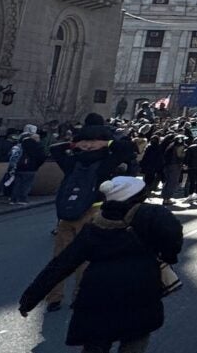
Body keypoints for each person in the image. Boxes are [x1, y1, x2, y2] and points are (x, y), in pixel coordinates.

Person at [19, 177, 185, 353]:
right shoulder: (153, 214)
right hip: (140, 286)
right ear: (139, 195)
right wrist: (168, 257)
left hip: (97, 289)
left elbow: (64, 262)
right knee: (135, 336)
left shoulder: (95, 224)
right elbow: (173, 238)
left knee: (96, 340)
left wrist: (31, 297)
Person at [45, 121, 122, 312]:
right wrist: (107, 143)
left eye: (93, 140)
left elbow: (55, 149)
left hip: (69, 211)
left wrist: (76, 143)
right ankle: (79, 296)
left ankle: (54, 298)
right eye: (86, 141)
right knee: (85, 259)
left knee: (60, 257)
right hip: (92, 212)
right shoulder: (105, 162)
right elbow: (126, 150)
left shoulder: (73, 161)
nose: (89, 144)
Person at [8, 125, 47, 206]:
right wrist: (37, 166)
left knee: (17, 183)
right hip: (31, 167)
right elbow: (42, 157)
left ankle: (13, 199)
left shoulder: (21, 144)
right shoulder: (38, 146)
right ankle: (23, 199)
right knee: (26, 184)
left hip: (19, 165)